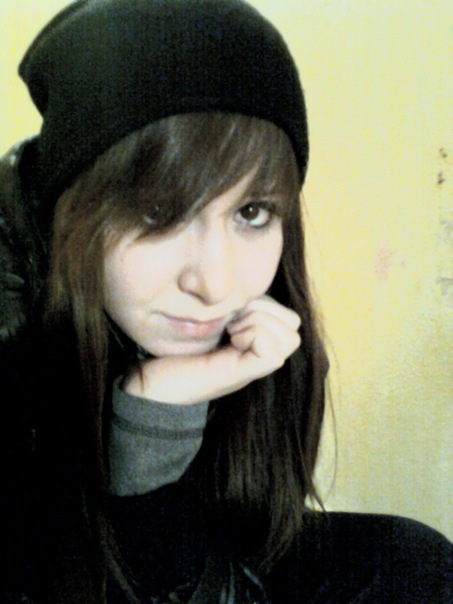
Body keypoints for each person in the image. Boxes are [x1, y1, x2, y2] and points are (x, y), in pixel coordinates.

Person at [0, 0, 451, 602]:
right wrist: (151, 421)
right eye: (157, 212)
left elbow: (239, 542)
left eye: (252, 212)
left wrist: (170, 404)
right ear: (74, 210)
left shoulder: (258, 327)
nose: (215, 284)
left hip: (180, 562)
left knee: (409, 562)